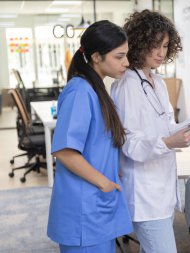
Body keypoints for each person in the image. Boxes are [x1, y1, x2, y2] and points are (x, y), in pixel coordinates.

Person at [111, 10, 190, 253]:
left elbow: (165, 125)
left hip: (163, 188)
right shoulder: (127, 85)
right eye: (154, 45)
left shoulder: (157, 82)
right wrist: (168, 142)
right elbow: (129, 143)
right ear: (138, 44)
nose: (161, 52)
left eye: (166, 46)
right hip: (145, 193)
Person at [47, 20, 133, 253]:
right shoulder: (80, 91)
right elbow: (64, 151)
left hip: (96, 204)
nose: (126, 62)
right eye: (119, 56)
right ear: (96, 56)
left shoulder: (96, 88)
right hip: (84, 208)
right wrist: (103, 182)